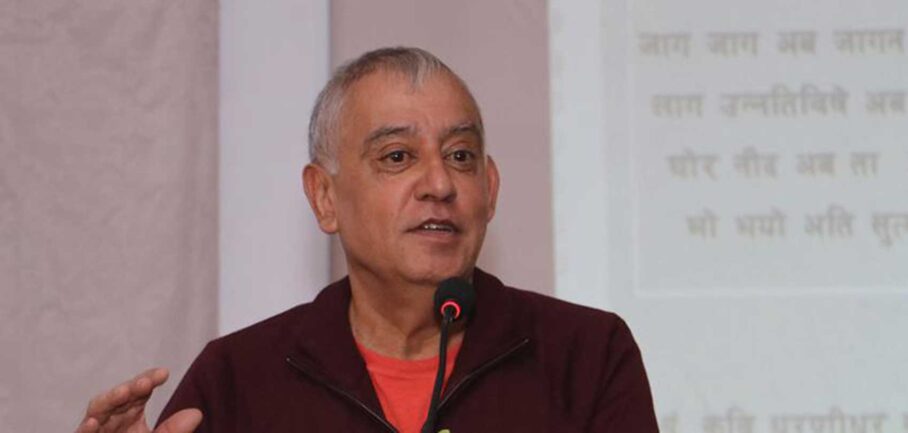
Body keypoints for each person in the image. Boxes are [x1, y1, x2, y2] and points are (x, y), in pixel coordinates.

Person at [74, 47, 658, 433]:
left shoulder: (586, 356)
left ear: (491, 188)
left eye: (460, 156)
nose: (439, 184)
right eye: (398, 157)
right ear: (324, 197)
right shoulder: (238, 378)